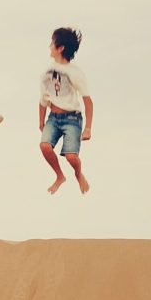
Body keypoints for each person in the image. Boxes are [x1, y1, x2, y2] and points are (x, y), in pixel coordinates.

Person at [39, 26, 92, 195]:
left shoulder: (75, 72)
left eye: (52, 43)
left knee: (71, 157)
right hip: (53, 118)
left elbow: (88, 100)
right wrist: (40, 121)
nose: (49, 46)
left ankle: (78, 173)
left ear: (60, 48)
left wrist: (88, 128)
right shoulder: (47, 71)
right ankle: (59, 176)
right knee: (45, 146)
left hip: (72, 119)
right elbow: (43, 99)